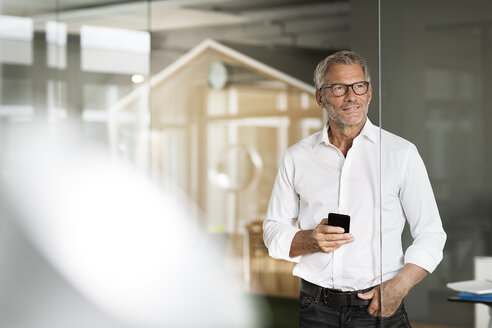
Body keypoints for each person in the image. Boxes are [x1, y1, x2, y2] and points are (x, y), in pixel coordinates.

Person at [262, 50, 446, 327]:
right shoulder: (297, 156)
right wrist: (308, 239)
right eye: (338, 88)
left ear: (369, 92)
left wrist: (400, 286)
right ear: (320, 97)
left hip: (379, 305)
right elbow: (272, 229)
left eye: (359, 86)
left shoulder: (401, 153)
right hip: (315, 309)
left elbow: (431, 234)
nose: (351, 96)